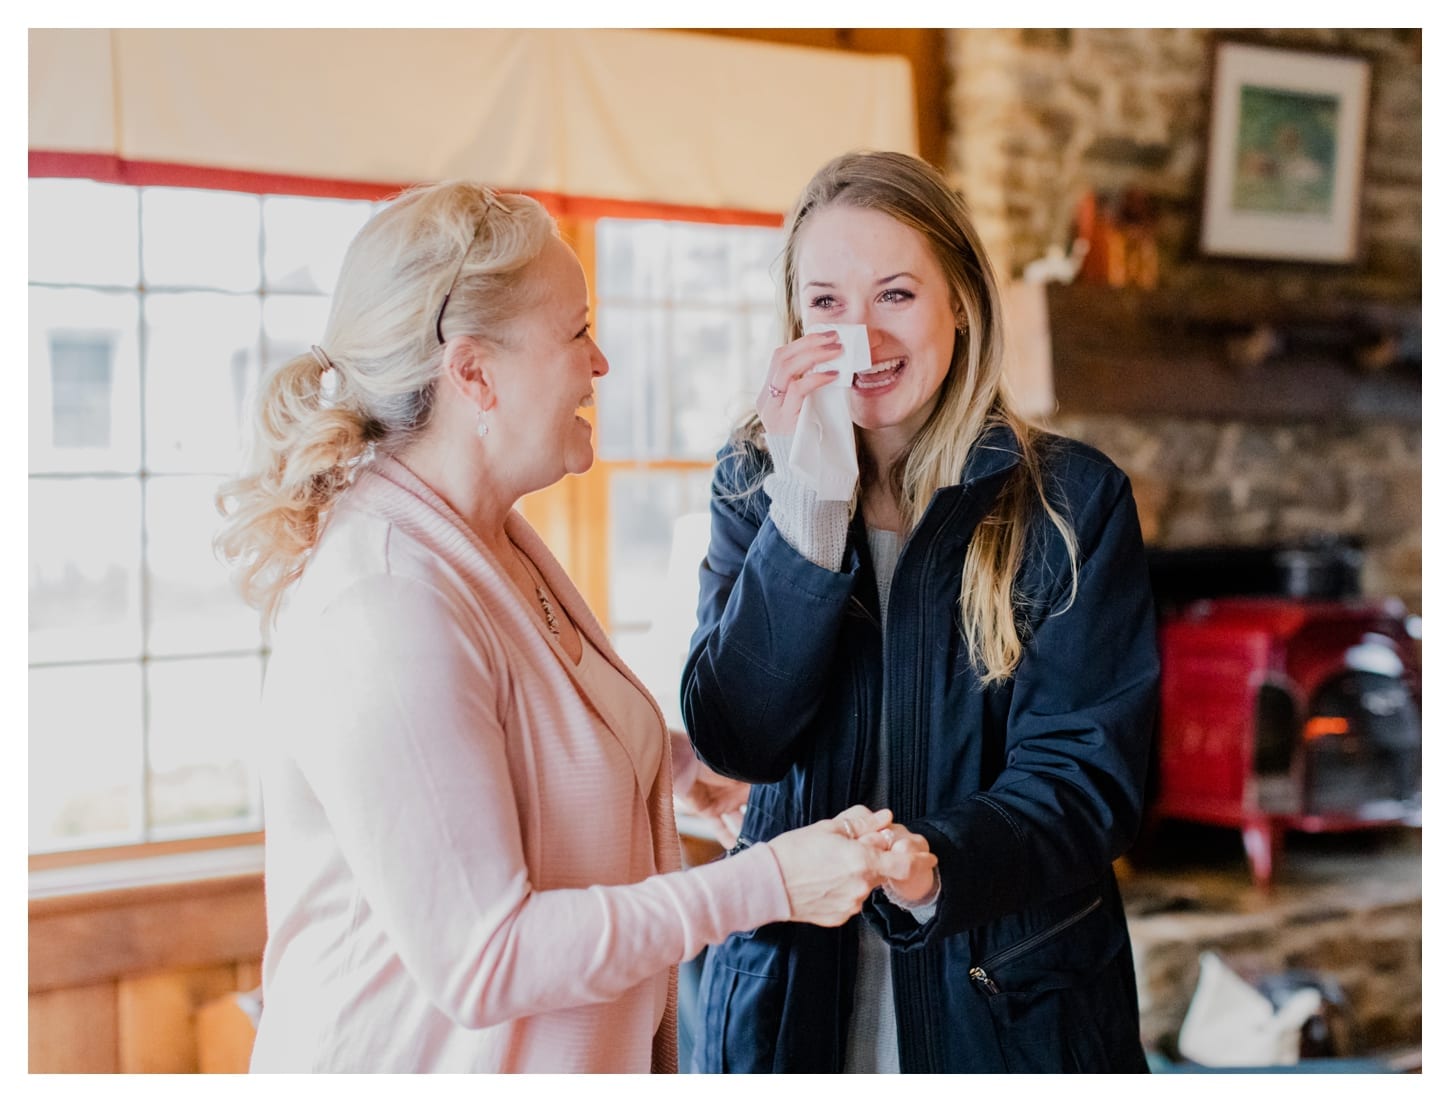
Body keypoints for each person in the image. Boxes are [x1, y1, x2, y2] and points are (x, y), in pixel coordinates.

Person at [214, 180, 936, 1073]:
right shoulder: (385, 599)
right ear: (473, 371)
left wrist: (668, 765)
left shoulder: (491, 540)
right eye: (576, 331)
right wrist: (771, 883)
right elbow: (489, 957)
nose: (600, 363)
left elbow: (504, 745)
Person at [681, 151, 1161, 1073]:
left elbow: (1085, 779)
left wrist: (934, 860)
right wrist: (809, 511)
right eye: (826, 304)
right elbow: (739, 738)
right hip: (790, 1001)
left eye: (895, 294)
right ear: (794, 319)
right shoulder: (754, 481)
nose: (858, 332)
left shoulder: (1072, 501)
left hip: (1011, 1008)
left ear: (961, 304)